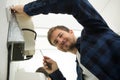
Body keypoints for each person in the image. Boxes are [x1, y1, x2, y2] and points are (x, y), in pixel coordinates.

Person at [11, 0, 120, 80]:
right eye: (56, 42)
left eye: (61, 35)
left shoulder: (94, 31)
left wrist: (27, 9)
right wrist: (55, 72)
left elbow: (74, 3)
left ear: (71, 32)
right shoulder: (79, 70)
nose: (60, 40)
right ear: (58, 48)